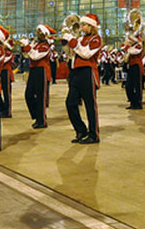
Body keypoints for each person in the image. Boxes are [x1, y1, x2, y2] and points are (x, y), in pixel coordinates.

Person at [63, 14, 103, 144]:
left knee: (90, 105)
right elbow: (71, 54)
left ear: (92, 26)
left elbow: (86, 54)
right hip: (76, 73)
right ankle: (81, 130)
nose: (81, 27)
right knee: (70, 103)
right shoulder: (79, 39)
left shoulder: (96, 39)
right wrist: (65, 42)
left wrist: (72, 41)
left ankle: (94, 134)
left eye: (84, 25)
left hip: (88, 72)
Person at [22, 24, 55, 129]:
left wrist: (27, 46)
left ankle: (41, 120)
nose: (37, 34)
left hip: (42, 71)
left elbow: (35, 56)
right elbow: (27, 55)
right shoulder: (36, 44)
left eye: (39, 32)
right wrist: (24, 47)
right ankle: (37, 115)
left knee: (41, 97)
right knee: (28, 95)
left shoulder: (45, 46)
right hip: (34, 70)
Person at [123, 33, 144, 110]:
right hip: (130, 67)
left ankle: (138, 103)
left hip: (136, 67)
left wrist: (128, 47)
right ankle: (132, 102)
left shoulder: (138, 46)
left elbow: (134, 52)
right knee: (128, 86)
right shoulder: (130, 47)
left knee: (137, 86)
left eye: (130, 39)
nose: (129, 41)